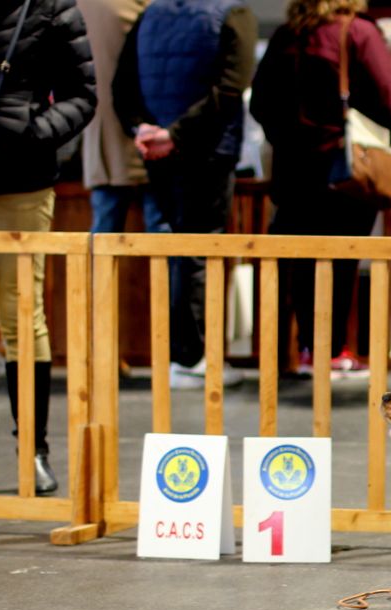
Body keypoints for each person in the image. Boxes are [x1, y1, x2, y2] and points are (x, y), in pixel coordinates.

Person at [250, 0, 391, 379]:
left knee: (301, 263)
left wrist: (286, 136)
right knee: (340, 259)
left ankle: (308, 349)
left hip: (292, 172)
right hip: (343, 171)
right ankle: (333, 351)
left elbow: (259, 102)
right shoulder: (357, 31)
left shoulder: (287, 34)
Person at [0, 0, 97, 494]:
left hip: (21, 180)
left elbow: (83, 95)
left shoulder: (51, 7)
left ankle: (34, 449)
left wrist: (32, 134)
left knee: (21, 317)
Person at [113, 0, 257, 389]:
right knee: (199, 252)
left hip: (158, 153)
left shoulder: (150, 13)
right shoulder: (232, 13)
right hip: (207, 151)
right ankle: (191, 358)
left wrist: (143, 130)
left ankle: (182, 355)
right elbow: (231, 89)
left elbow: (121, 85)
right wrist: (173, 135)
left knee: (178, 252)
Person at [78, 0, 167, 235]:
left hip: (106, 140)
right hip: (153, 136)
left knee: (104, 234)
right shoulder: (153, 8)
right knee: (162, 234)